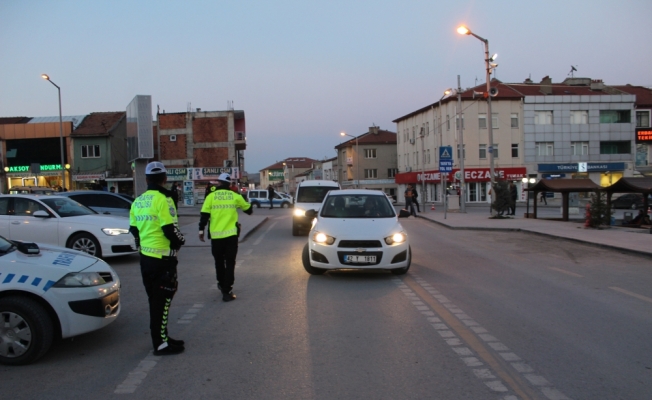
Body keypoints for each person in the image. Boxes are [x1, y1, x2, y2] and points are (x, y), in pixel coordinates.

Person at [129, 162, 186, 356]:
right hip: (163, 260)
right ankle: (160, 344)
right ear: (164, 179)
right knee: (162, 302)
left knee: (155, 301)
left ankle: (162, 337)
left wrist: (142, 245)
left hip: (146, 259)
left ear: (146, 179)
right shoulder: (163, 199)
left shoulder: (138, 201)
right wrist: (181, 240)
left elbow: (134, 230)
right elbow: (170, 230)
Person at [199, 173, 253, 302]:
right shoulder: (235, 196)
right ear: (230, 184)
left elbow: (204, 215)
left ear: (219, 183)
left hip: (216, 237)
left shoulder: (211, 197)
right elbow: (249, 210)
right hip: (230, 236)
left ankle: (221, 282)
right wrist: (246, 202)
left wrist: (201, 230)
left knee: (218, 262)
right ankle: (227, 290)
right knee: (230, 263)